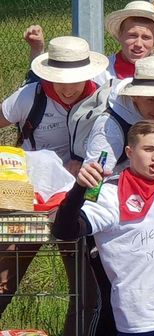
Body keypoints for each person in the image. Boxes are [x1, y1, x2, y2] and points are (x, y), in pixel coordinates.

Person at [52, 115, 154, 336]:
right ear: (129, 152)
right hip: (139, 321)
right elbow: (64, 231)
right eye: (149, 149)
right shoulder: (108, 195)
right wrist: (78, 189)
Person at [0, 35, 108, 335]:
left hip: (78, 204)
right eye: (60, 79)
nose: (68, 87)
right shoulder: (29, 96)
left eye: (75, 79)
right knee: (5, 276)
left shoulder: (103, 98)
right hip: (29, 204)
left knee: (83, 285)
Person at [83, 55, 154, 335]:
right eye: (152, 100)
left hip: (153, 222)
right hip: (113, 229)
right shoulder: (109, 127)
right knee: (113, 309)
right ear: (135, 96)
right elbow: (93, 183)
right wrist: (136, 176)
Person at [24, 0, 154, 86]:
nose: (139, 44)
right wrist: (37, 50)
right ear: (119, 36)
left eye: (146, 37)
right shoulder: (100, 72)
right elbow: (50, 84)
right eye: (132, 35)